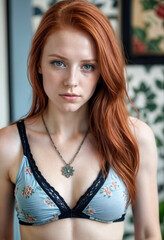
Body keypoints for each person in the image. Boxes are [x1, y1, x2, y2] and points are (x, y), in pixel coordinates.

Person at [0, 0, 162, 239]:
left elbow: (149, 234)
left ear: (102, 71)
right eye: (59, 63)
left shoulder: (134, 138)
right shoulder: (8, 145)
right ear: (38, 64)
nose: (71, 81)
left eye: (87, 66)